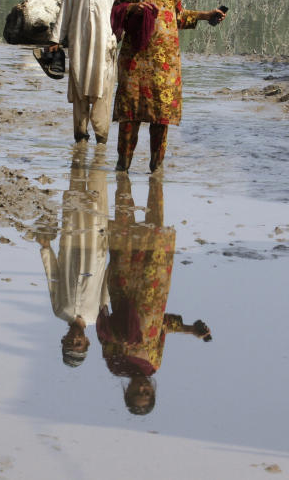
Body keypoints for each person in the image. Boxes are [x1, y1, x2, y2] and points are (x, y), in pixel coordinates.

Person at [110, 0, 226, 172]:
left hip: (166, 62)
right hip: (135, 57)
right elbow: (117, 9)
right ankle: (123, 169)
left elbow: (177, 17)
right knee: (130, 116)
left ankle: (156, 170)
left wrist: (206, 16)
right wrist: (133, 7)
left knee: (160, 118)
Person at [97, 174, 211, 414]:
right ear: (153, 390)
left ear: (126, 391)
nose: (142, 390)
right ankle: (155, 178)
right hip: (153, 286)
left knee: (125, 230)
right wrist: (191, 329)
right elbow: (161, 326)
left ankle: (123, 175)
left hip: (124, 286)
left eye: (136, 394)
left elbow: (104, 330)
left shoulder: (116, 364)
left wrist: (124, 339)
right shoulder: (154, 365)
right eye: (146, 394)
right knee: (156, 229)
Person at [35, 146, 111, 366]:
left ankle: (80, 149)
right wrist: (113, 254)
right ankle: (100, 151)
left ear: (63, 340)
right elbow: (107, 284)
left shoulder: (60, 311)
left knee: (75, 194)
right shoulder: (98, 316)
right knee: (97, 195)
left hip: (69, 247)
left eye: (70, 343)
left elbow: (53, 279)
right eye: (78, 344)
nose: (74, 339)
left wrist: (46, 249)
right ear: (87, 342)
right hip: (95, 249)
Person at [48, 0, 122, 144]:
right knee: (79, 85)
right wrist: (55, 39)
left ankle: (101, 139)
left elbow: (121, 10)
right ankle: (80, 137)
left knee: (104, 89)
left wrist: (120, 37)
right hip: (79, 44)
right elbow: (66, 11)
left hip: (105, 44)